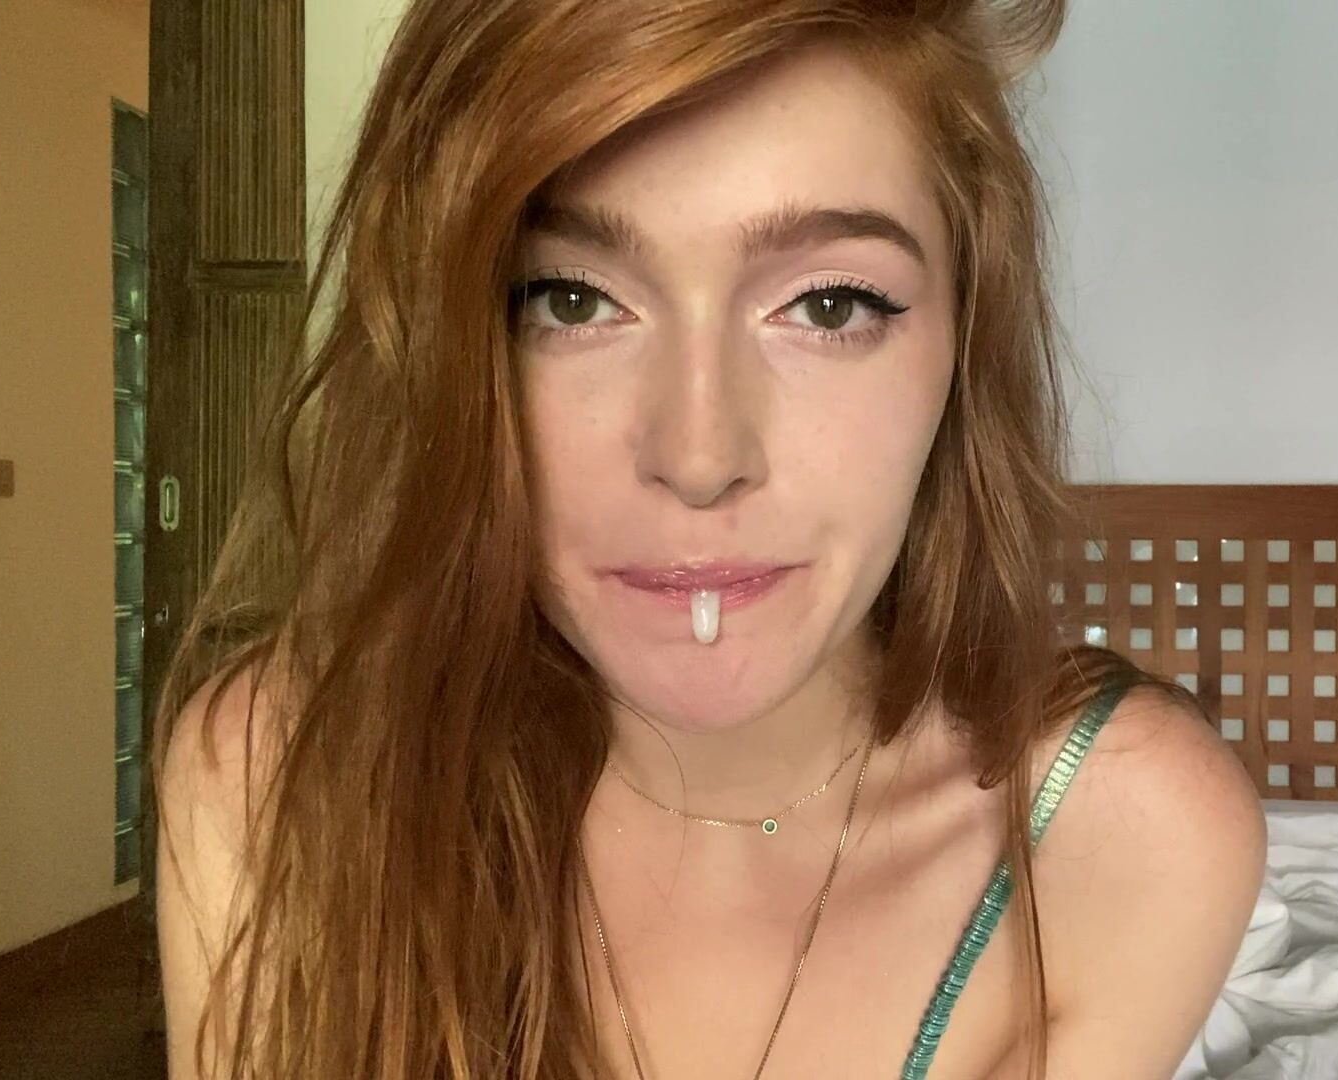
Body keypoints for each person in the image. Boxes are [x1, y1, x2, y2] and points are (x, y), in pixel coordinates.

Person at [153, 2, 1264, 1077]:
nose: (698, 454)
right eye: (569, 300)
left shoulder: (1118, 839)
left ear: (963, 344)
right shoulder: (276, 781)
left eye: (829, 305)